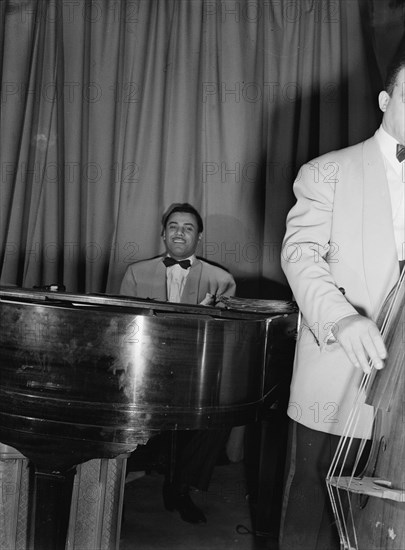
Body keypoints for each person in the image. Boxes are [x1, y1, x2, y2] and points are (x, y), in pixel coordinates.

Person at [279, 47, 405, 550]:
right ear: (384, 99)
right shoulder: (326, 171)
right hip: (342, 372)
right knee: (313, 508)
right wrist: (341, 319)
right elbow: (300, 255)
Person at [120, 202, 236, 524]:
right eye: (173, 226)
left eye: (188, 228)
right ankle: (113, 491)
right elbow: (122, 329)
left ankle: (181, 488)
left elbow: (222, 338)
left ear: (198, 237)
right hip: (144, 371)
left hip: (193, 374)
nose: (179, 233)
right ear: (163, 233)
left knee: (215, 418)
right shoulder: (135, 273)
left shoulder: (221, 279)